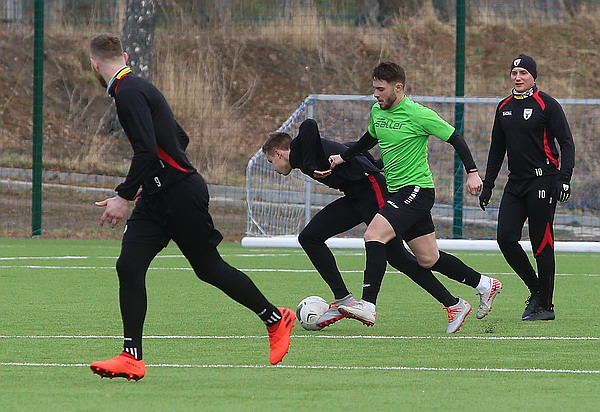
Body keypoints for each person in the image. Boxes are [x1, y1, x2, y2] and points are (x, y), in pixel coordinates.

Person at [87, 33, 294, 381]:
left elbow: (146, 151)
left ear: (94, 65)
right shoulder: (137, 88)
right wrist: (151, 182)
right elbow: (179, 138)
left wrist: (124, 195)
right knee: (129, 266)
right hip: (157, 197)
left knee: (208, 268)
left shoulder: (128, 92)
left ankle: (276, 319)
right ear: (124, 56)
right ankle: (131, 357)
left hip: (181, 194)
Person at [263, 118, 497, 333]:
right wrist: (373, 162)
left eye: (271, 161)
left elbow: (309, 124)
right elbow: (348, 146)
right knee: (310, 237)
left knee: (400, 257)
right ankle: (344, 299)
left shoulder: (301, 150)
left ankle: (453, 304)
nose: (274, 168)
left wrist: (319, 163)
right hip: (355, 197)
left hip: (373, 189)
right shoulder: (303, 157)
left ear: (278, 152)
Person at [327, 61, 502, 331]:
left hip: (416, 190)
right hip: (399, 192)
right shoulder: (377, 111)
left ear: (398, 87)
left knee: (374, 235)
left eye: (380, 89)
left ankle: (368, 305)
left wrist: (473, 173)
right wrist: (343, 157)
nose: (375, 94)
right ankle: (484, 285)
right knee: (428, 258)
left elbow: (455, 137)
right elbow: (369, 139)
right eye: (374, 88)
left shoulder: (418, 114)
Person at [479, 54, 575, 321]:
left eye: (523, 73)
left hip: (543, 181)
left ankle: (546, 306)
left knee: (541, 244)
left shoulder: (547, 104)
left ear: (533, 76)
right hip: (515, 183)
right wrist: (488, 184)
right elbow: (497, 148)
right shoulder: (504, 107)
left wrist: (564, 178)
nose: (518, 77)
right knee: (505, 238)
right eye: (514, 73)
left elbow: (566, 143)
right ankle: (536, 290)